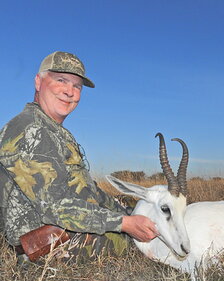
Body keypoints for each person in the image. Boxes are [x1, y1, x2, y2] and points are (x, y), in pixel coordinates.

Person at [0, 51, 158, 261]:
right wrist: (125, 223)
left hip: (71, 227)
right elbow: (55, 206)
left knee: (136, 211)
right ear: (38, 82)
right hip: (49, 249)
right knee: (146, 241)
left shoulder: (53, 130)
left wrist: (126, 212)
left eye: (77, 86)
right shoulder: (30, 130)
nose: (69, 91)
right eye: (61, 80)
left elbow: (87, 189)